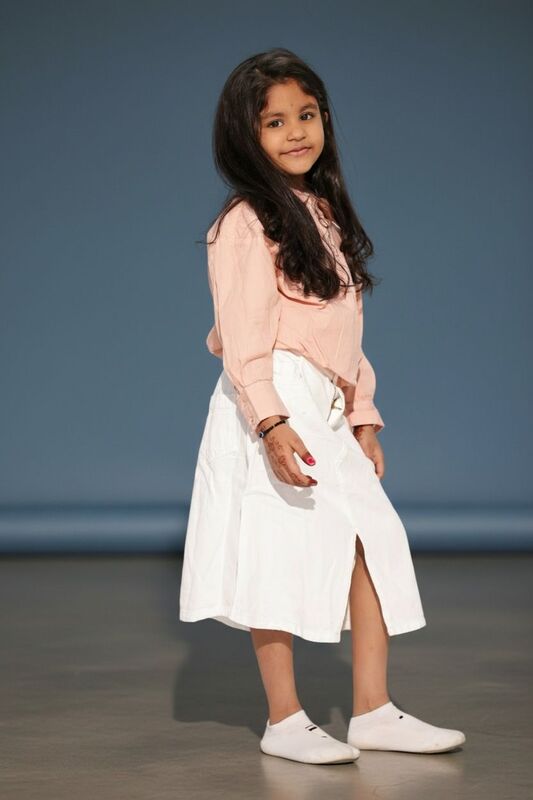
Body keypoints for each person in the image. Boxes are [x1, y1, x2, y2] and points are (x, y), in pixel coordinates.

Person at [179, 48, 466, 765]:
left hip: (324, 400)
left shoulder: (323, 213)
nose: (296, 132)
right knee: (276, 551)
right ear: (246, 134)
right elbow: (245, 336)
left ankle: (372, 710)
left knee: (369, 538)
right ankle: (284, 720)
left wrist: (363, 414)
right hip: (273, 396)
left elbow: (342, 332)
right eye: (274, 121)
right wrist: (270, 422)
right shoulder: (246, 221)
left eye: (306, 115)